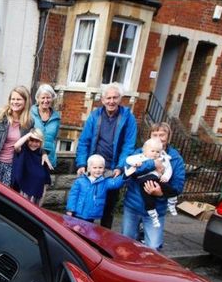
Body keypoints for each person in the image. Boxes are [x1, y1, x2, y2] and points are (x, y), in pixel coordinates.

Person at [75, 82, 137, 228]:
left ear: (120, 99)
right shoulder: (95, 116)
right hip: (94, 169)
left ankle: (102, 244)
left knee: (108, 210)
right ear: (102, 100)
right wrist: (82, 164)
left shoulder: (128, 118)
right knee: (87, 207)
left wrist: (121, 167)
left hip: (113, 170)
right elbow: (84, 141)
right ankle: (84, 241)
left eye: (115, 97)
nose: (111, 101)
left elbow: (129, 145)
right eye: (108, 98)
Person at [122, 122, 185, 250]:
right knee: (127, 242)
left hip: (157, 208)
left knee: (153, 247)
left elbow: (178, 186)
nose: (158, 138)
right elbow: (129, 171)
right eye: (154, 134)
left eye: (162, 135)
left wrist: (160, 193)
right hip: (133, 206)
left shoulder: (175, 159)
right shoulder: (140, 152)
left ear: (169, 136)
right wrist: (153, 164)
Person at [125, 137, 179, 228]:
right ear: (145, 151)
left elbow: (168, 169)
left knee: (169, 189)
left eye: (158, 152)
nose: (155, 154)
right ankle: (154, 217)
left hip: (157, 179)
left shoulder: (163, 159)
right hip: (143, 182)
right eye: (152, 151)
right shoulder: (140, 157)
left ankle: (172, 202)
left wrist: (165, 176)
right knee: (148, 200)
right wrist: (136, 163)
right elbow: (128, 160)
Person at [65, 154, 133, 222]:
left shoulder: (104, 182)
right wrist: (70, 209)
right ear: (88, 169)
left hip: (91, 216)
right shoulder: (80, 181)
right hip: (77, 214)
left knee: (87, 231)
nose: (98, 170)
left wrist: (125, 175)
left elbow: (115, 183)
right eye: (95, 168)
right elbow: (73, 196)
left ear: (104, 169)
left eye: (100, 167)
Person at [12, 129, 53, 205]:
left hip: (37, 193)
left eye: (37, 141)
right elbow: (16, 146)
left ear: (41, 142)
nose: (34, 143)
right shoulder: (23, 149)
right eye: (32, 140)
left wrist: (44, 153)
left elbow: (45, 179)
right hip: (24, 190)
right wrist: (29, 134)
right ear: (28, 140)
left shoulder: (42, 154)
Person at [30, 84, 61, 168]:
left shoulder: (56, 117)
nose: (46, 100)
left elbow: (54, 138)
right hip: (32, 156)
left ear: (52, 98)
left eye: (48, 97)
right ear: (38, 99)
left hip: (49, 159)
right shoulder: (30, 114)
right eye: (43, 98)